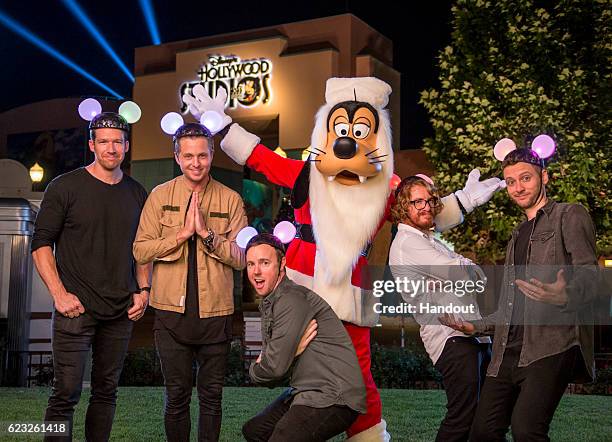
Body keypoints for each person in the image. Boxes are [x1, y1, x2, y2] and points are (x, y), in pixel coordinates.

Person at [441, 148, 598, 441]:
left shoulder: (568, 214)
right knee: (483, 433)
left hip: (550, 345)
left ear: (544, 177)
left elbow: (592, 278)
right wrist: (477, 327)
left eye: (525, 178)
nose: (518, 187)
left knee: (527, 430)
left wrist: (564, 296)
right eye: (510, 182)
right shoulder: (516, 234)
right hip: (506, 352)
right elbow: (511, 306)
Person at [31, 112, 150, 442]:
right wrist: (58, 293)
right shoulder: (65, 187)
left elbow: (142, 249)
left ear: (126, 147)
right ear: (92, 145)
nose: (111, 148)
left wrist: (144, 289)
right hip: (75, 309)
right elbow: (40, 244)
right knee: (65, 394)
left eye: (118, 142)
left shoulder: (138, 193)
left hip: (121, 311)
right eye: (104, 141)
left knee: (106, 392)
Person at [133, 122, 247, 442]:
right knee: (177, 398)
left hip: (217, 315)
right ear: (177, 157)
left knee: (212, 399)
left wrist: (207, 235)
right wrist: (182, 234)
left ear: (211, 155)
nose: (195, 163)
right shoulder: (160, 196)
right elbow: (140, 249)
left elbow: (241, 258)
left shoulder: (231, 200)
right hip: (171, 315)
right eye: (188, 156)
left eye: (202, 155)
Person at [389, 175, 491, 442]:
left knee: (486, 418)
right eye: (417, 201)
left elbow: (475, 277)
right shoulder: (409, 243)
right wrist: (461, 271)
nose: (425, 206)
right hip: (451, 338)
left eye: (429, 200)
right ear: (404, 206)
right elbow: (464, 275)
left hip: (472, 333)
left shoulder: (430, 240)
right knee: (463, 417)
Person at [242, 233, 367, 442]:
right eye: (250, 264)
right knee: (255, 431)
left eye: (264, 263)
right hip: (304, 390)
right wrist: (287, 356)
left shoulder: (290, 299)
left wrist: (256, 370)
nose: (256, 271)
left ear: (282, 264)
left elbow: (273, 368)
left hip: (334, 395)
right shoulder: (272, 301)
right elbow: (275, 373)